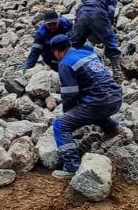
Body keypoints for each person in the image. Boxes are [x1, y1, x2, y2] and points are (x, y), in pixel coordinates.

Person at [49, 35, 123, 179]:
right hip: (116, 97)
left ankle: (71, 167)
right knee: (88, 106)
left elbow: (69, 95)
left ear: (57, 52)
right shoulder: (88, 53)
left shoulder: (65, 64)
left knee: (60, 125)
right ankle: (112, 128)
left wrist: (68, 115)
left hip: (99, 103)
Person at [69, 0, 122, 72]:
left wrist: (78, 24)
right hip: (98, 14)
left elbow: (80, 7)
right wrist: (108, 26)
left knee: (74, 44)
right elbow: (110, 11)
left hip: (82, 14)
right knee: (110, 43)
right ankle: (117, 72)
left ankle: (72, 69)